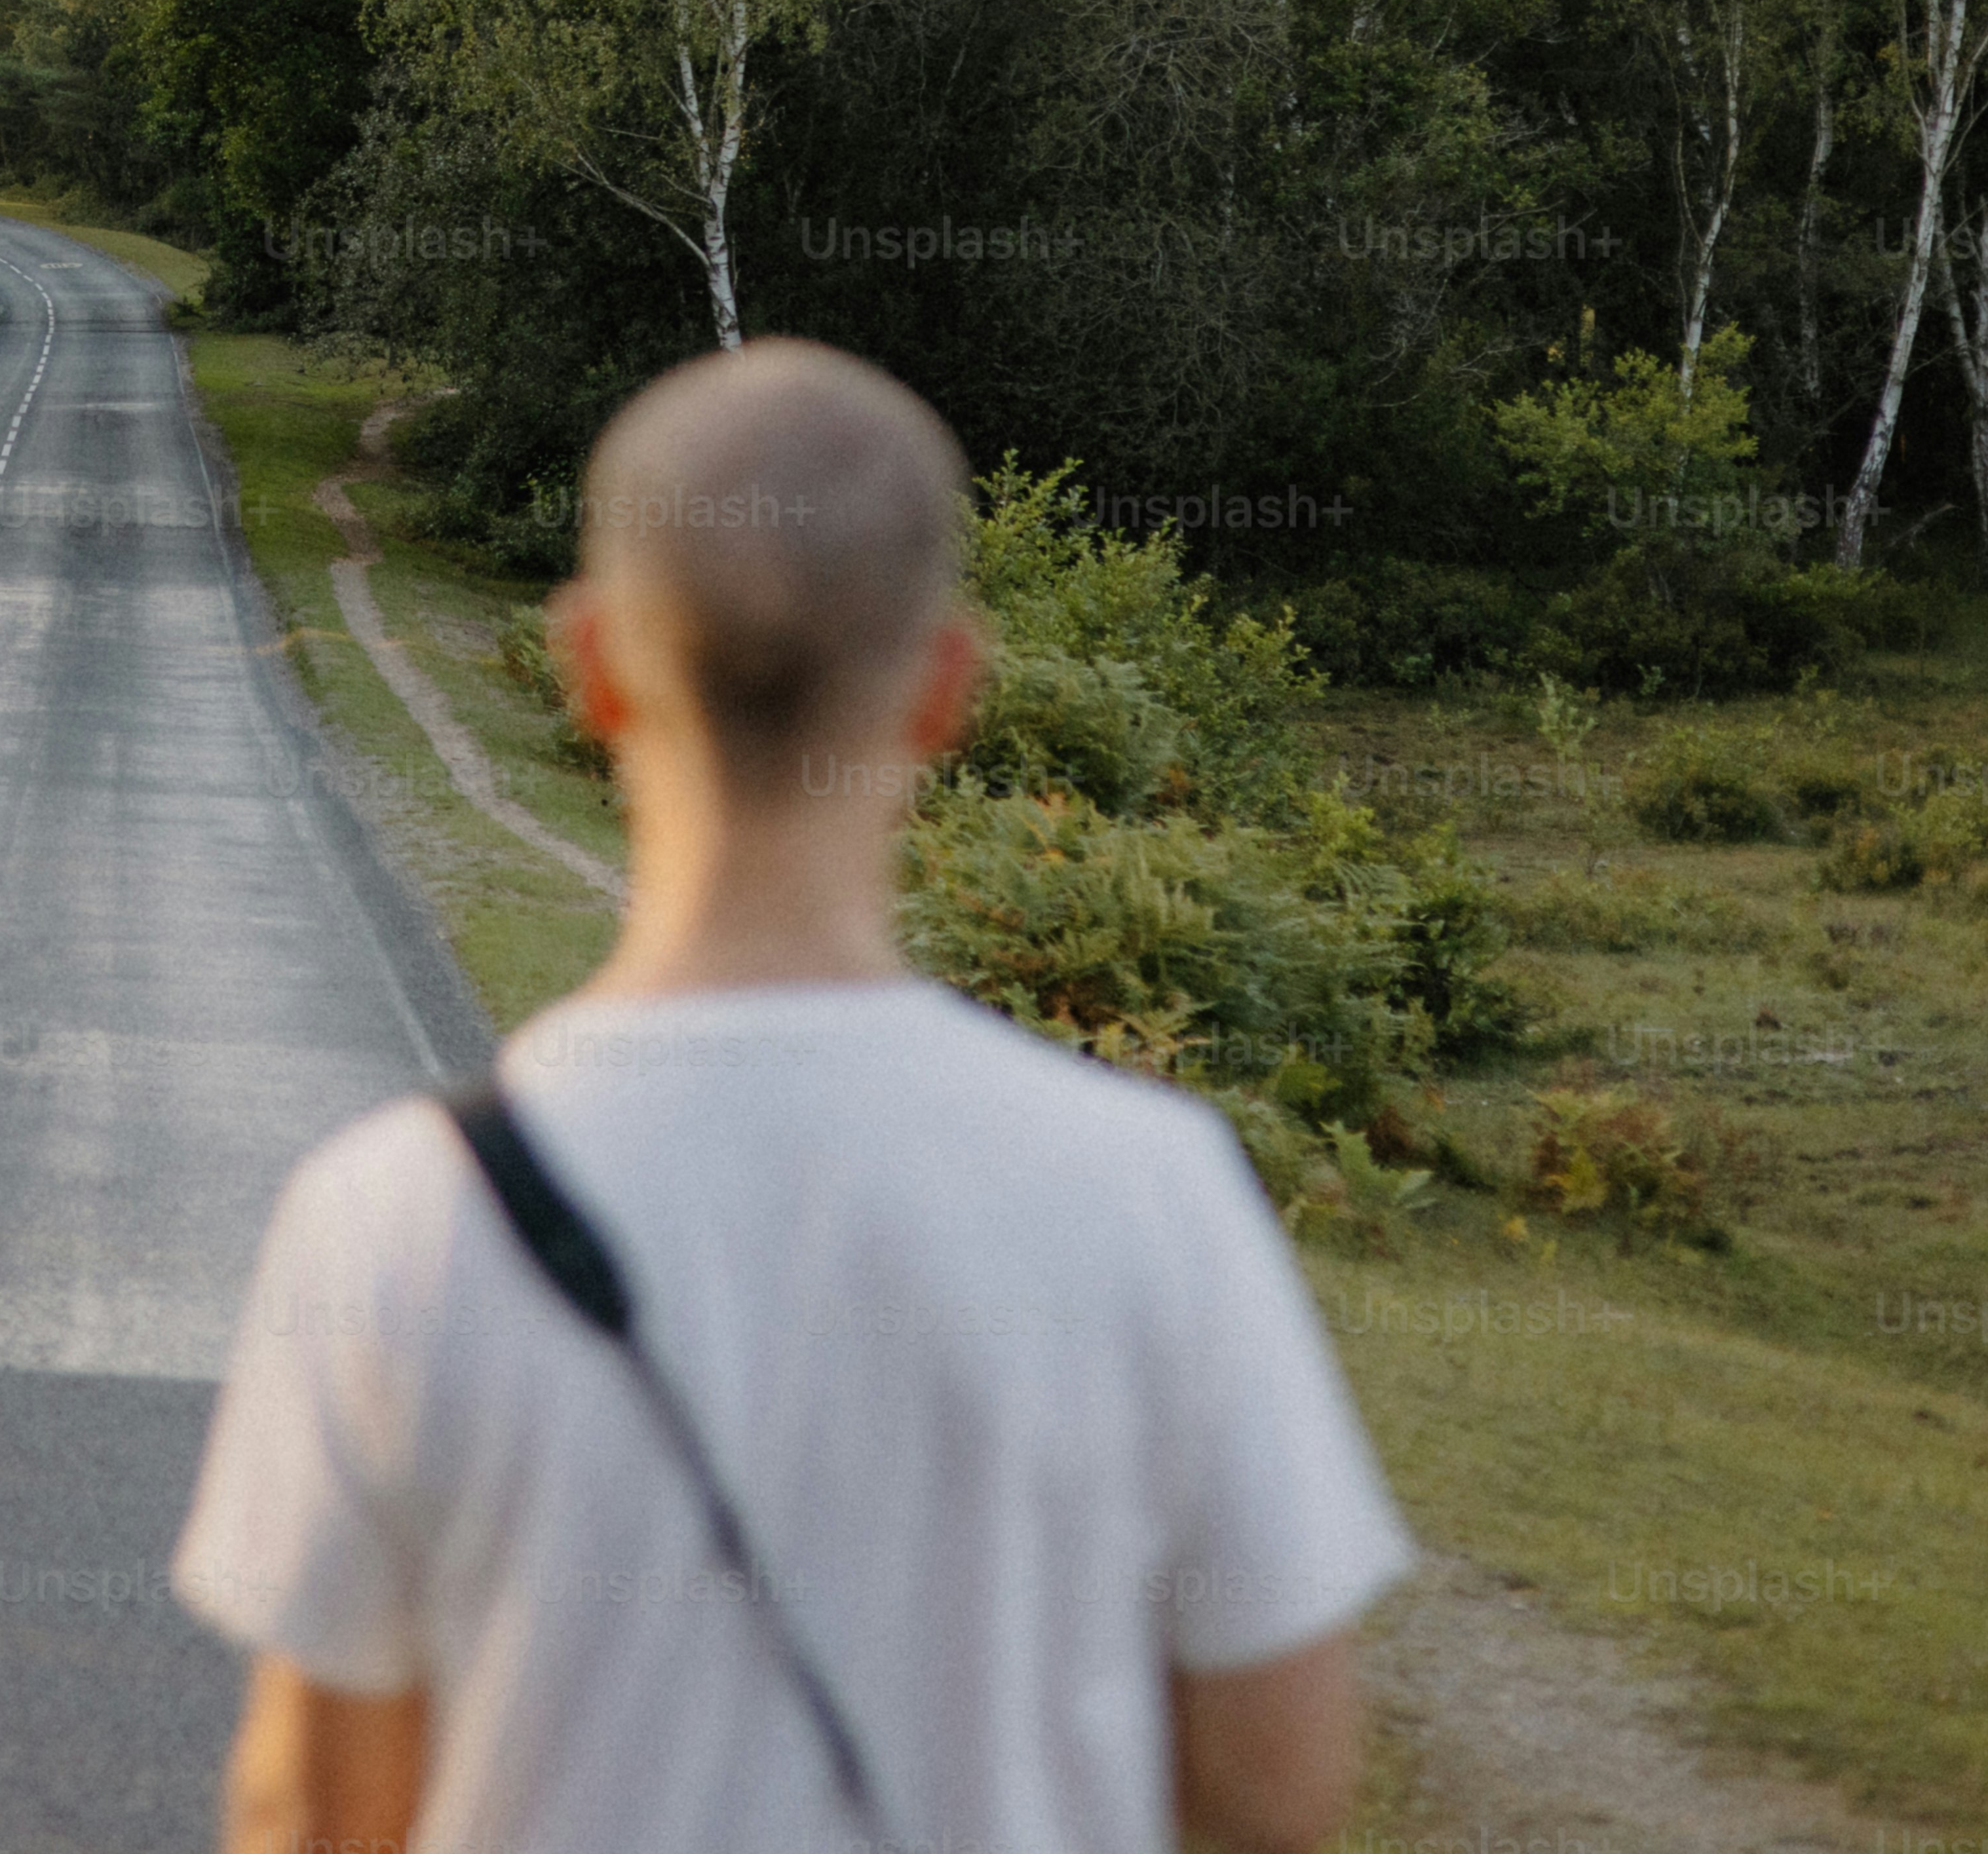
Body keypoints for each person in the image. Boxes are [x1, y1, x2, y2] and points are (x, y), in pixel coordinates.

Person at [175, 338, 1409, 1854]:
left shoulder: (390, 1211)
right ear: (948, 685)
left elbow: (310, 1812)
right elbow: (1275, 1792)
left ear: (591, 667)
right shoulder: (1157, 1189)